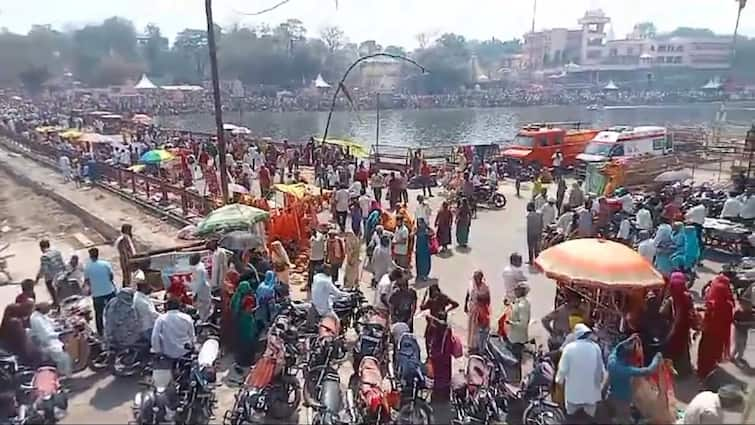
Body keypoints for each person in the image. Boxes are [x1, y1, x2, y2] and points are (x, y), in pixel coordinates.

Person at [606, 335, 663, 424]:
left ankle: (619, 419)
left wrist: (629, 340)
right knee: (624, 417)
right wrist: (656, 358)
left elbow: (617, 347)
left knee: (620, 413)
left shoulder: (612, 359)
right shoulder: (625, 370)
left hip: (613, 394)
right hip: (623, 397)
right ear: (628, 357)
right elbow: (648, 370)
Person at [555, 323, 605, 421]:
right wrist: (598, 385)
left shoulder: (568, 348)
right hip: (591, 395)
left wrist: (558, 382)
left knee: (571, 419)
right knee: (590, 419)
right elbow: (601, 371)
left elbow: (562, 371)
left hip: (573, 395)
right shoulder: (596, 347)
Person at [697, 274, 735, 380]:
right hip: (720, 335)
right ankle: (710, 371)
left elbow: (706, 319)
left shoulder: (711, 304)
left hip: (709, 334)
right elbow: (729, 320)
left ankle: (702, 372)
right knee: (713, 353)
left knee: (705, 353)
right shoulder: (728, 305)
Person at [662, 272, 695, 376]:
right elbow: (691, 311)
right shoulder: (688, 297)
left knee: (672, 350)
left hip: (672, 330)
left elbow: (662, 313)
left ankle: (672, 370)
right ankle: (684, 370)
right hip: (684, 329)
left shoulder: (671, 301)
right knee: (683, 349)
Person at [29, 302, 72, 376]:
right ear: (42, 308)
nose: (49, 309)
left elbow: (51, 323)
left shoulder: (41, 315)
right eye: (48, 308)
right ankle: (65, 376)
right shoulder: (36, 319)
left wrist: (61, 323)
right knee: (65, 356)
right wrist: (60, 334)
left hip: (52, 340)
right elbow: (45, 336)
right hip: (47, 344)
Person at [84, 247, 117, 335]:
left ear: (90, 256)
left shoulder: (87, 267)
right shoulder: (105, 264)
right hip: (109, 290)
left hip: (97, 294)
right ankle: (114, 328)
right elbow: (111, 276)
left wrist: (89, 289)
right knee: (113, 310)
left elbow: (87, 281)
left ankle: (100, 332)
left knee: (99, 314)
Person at [427, 311, 459, 402]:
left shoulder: (436, 328)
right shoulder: (447, 329)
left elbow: (431, 341)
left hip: (438, 356)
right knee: (444, 375)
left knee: (438, 375)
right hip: (445, 356)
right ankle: (444, 395)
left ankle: (438, 395)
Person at [420, 283, 459, 350]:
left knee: (428, 338)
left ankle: (430, 355)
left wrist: (424, 297)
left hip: (433, 322)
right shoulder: (443, 297)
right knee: (442, 339)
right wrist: (446, 311)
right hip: (442, 321)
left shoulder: (431, 300)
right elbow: (455, 304)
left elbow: (422, 307)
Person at [230, 280, 258, 371]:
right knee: (249, 340)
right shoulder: (248, 299)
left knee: (240, 340)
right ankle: (247, 361)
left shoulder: (236, 296)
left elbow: (233, 309)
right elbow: (249, 311)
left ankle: (240, 360)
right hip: (247, 322)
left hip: (238, 322)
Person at [507, 282, 531, 380]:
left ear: (522, 291)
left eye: (517, 289)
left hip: (518, 337)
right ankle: (513, 377)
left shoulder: (523, 305)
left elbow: (523, 323)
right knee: (512, 358)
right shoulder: (518, 302)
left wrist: (511, 322)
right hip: (513, 336)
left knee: (516, 359)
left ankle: (516, 379)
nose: (515, 291)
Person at [465, 270, 491, 353]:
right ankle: (471, 345)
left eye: (478, 278)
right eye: (475, 278)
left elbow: (488, 300)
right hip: (472, 307)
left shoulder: (485, 286)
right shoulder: (471, 284)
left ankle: (478, 346)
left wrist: (481, 299)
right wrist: (465, 304)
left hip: (481, 310)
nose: (476, 280)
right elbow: (468, 294)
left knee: (479, 328)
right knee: (471, 327)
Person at [35, 239, 65, 308]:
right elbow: (62, 263)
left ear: (41, 247)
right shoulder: (57, 252)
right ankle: (59, 300)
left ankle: (56, 303)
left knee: (49, 285)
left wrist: (37, 278)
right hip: (61, 273)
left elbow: (44, 269)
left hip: (53, 277)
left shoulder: (44, 256)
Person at [134, 278, 159, 343]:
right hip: (147, 328)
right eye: (148, 287)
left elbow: (148, 300)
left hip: (147, 324)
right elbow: (153, 314)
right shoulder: (141, 302)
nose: (150, 288)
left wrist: (162, 302)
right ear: (143, 288)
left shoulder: (139, 295)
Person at [189, 253, 212, 322]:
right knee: (204, 310)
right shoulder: (200, 266)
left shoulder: (198, 269)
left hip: (202, 293)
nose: (190, 261)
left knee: (203, 312)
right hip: (204, 291)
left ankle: (204, 326)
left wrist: (194, 295)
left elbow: (199, 284)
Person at [732, 297, 753, 365]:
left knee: (739, 345)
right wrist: (742, 324)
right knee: (741, 347)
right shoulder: (738, 312)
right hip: (739, 332)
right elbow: (734, 321)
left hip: (744, 332)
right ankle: (737, 358)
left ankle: (732, 356)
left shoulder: (749, 313)